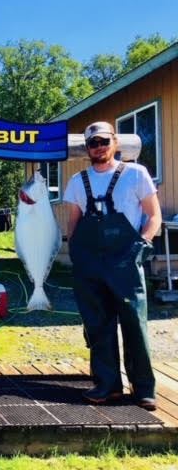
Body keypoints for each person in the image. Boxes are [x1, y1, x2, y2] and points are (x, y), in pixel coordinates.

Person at [64, 121, 161, 411]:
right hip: (90, 263)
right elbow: (73, 222)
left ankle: (143, 389)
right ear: (87, 148)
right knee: (97, 324)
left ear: (115, 142)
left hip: (125, 260)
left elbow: (153, 216)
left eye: (104, 141)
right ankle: (107, 385)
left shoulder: (136, 174)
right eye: (93, 143)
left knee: (134, 323)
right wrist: (76, 253)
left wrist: (141, 245)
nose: (99, 147)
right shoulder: (77, 181)